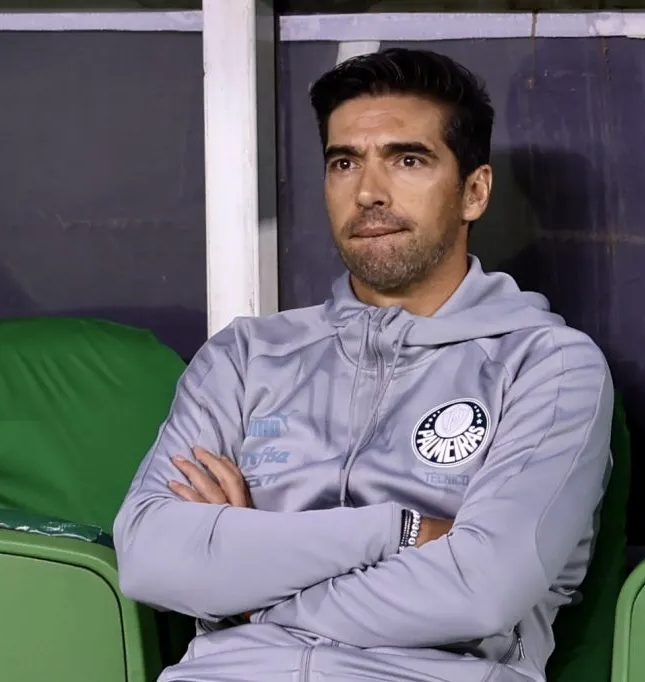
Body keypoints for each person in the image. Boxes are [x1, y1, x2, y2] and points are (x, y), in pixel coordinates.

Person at [113, 47, 614, 682]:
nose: (369, 192)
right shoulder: (246, 357)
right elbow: (152, 557)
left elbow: (481, 588)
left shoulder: (549, 366)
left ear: (474, 191)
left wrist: (249, 591)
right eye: (344, 162)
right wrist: (401, 531)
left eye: (408, 160)